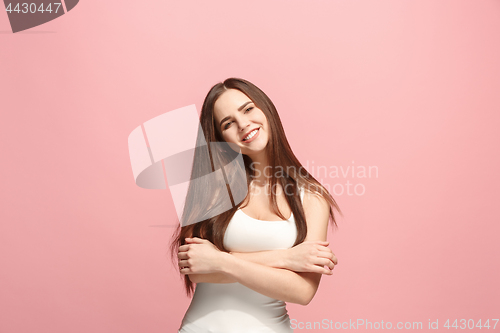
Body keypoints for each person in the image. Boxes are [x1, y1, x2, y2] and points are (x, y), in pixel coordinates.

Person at [169, 78, 342, 332]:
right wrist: (286, 258)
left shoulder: (313, 198)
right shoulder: (215, 188)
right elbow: (197, 268)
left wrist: (220, 261)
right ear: (220, 138)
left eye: (248, 109)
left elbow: (302, 291)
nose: (243, 125)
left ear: (265, 109)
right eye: (228, 123)